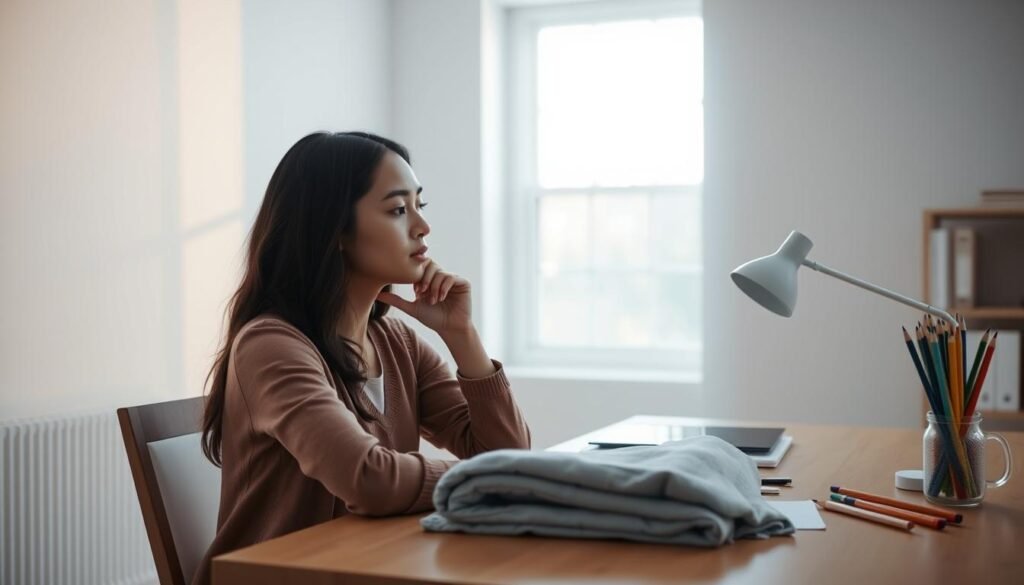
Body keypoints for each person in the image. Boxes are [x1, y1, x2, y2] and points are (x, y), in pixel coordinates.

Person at [191, 131, 531, 585]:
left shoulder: (396, 341)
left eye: (418, 206)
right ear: (335, 232)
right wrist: (489, 479)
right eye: (396, 210)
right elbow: (367, 480)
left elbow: (507, 455)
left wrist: (462, 336)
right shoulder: (271, 346)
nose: (421, 227)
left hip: (367, 568)